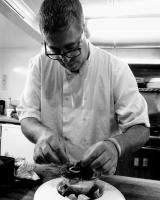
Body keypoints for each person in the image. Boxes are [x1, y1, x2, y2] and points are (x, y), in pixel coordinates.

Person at [17, 0, 150, 175]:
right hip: (52, 172)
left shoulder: (115, 68)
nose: (65, 58)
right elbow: (27, 116)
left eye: (71, 47)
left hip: (99, 176)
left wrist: (116, 145)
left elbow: (140, 128)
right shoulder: (39, 65)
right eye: (55, 51)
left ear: (85, 29)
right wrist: (40, 133)